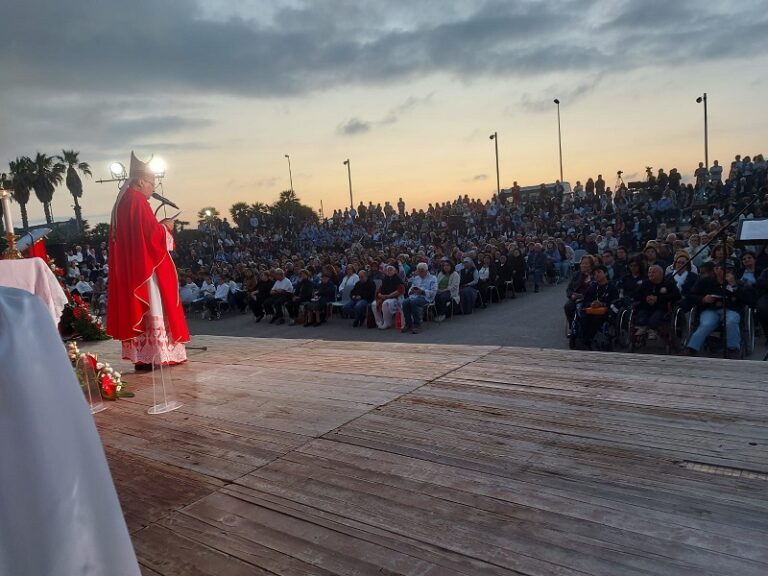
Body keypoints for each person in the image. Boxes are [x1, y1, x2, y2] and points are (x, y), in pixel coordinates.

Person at [106, 152, 189, 370]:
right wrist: (166, 227)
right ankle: (156, 355)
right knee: (154, 306)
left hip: (132, 267)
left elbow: (141, 233)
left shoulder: (123, 201)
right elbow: (151, 236)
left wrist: (158, 226)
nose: (153, 188)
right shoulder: (137, 200)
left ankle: (144, 357)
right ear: (140, 180)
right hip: (145, 269)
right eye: (152, 183)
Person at [681, 260, 745, 358]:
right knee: (707, 323)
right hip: (710, 309)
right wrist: (703, 299)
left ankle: (733, 349)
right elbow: (690, 296)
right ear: (716, 269)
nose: (727, 271)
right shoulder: (704, 281)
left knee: (731, 321)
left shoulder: (738, 282)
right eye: (724, 269)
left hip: (730, 309)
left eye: (730, 269)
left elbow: (747, 299)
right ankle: (691, 347)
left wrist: (734, 286)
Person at [633, 265, 680, 340]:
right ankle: (644, 328)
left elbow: (677, 296)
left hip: (662, 308)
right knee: (641, 317)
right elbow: (636, 294)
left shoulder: (669, 284)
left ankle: (651, 330)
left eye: (653, 272)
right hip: (646, 307)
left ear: (661, 274)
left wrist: (658, 298)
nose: (650, 274)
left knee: (655, 319)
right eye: (649, 272)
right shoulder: (645, 283)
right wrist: (646, 298)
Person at [401, 262, 437, 334]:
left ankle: (417, 324)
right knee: (404, 302)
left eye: (422, 271)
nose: (420, 273)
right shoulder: (416, 278)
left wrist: (422, 291)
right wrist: (411, 291)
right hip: (415, 296)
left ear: (426, 271)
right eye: (419, 271)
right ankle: (408, 323)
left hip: (426, 297)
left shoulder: (433, 278)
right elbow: (411, 287)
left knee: (414, 302)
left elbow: (433, 292)